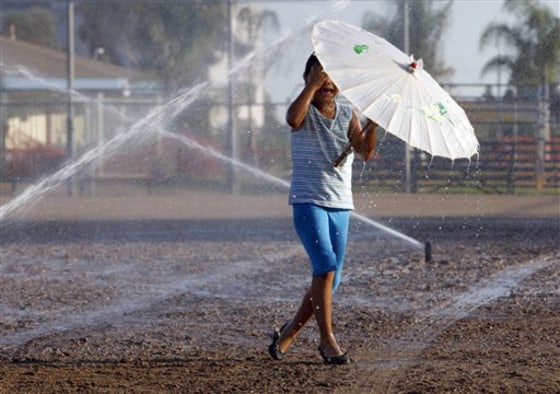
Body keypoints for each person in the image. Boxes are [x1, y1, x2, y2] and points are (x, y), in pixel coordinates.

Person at [268, 53, 377, 365]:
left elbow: (364, 152)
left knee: (332, 278)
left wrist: (372, 127)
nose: (327, 83)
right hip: (308, 201)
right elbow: (292, 119)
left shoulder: (347, 113)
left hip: (340, 205)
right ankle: (327, 340)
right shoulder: (303, 110)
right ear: (309, 78)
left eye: (332, 78)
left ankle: (288, 332)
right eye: (321, 77)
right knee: (326, 265)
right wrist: (311, 86)